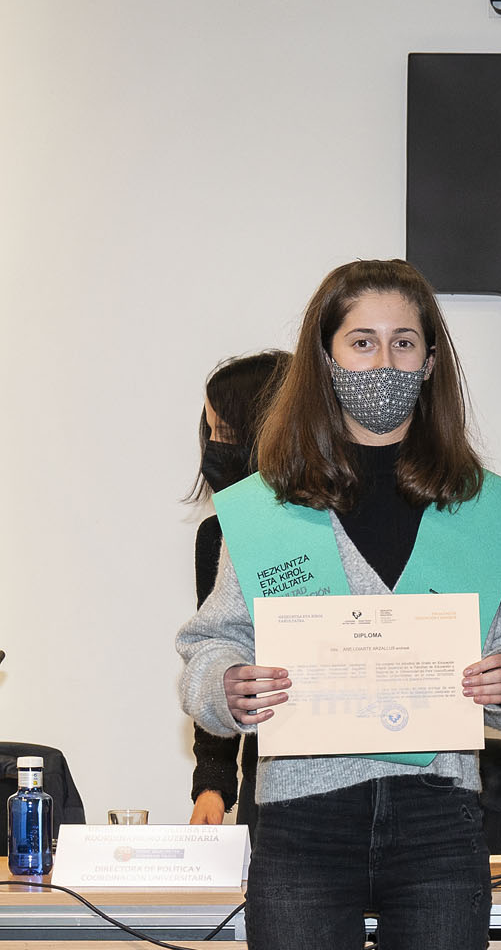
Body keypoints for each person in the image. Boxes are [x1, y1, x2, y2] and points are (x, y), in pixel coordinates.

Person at [177, 259, 501, 950]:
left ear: (431, 362)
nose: (384, 362)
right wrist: (224, 685)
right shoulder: (267, 509)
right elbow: (211, 645)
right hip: (302, 817)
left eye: (404, 342)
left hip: (440, 819)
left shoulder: (477, 508)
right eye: (361, 342)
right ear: (326, 359)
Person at [186, 349, 290, 833]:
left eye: (225, 431)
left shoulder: (346, 525)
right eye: (210, 431)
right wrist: (212, 785)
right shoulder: (218, 536)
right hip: (267, 779)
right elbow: (220, 657)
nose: (214, 446)